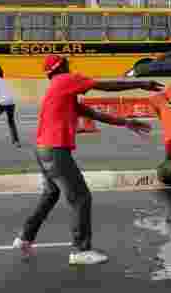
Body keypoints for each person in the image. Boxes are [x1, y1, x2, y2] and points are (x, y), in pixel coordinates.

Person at [14, 54, 163, 266]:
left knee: (51, 194)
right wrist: (142, 83)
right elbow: (104, 85)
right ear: (60, 67)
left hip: (43, 149)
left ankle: (25, 237)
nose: (69, 65)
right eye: (66, 62)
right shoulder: (65, 80)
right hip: (55, 150)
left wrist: (125, 122)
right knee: (81, 197)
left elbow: (89, 112)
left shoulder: (60, 90)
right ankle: (80, 251)